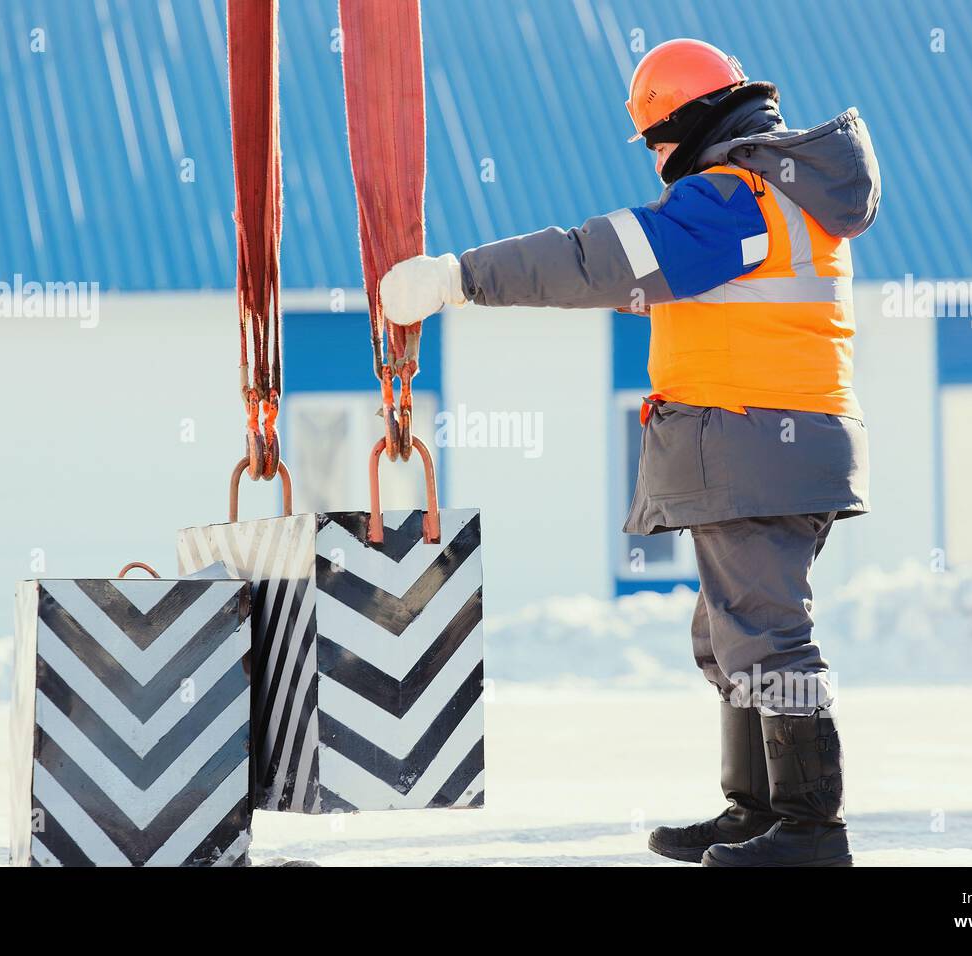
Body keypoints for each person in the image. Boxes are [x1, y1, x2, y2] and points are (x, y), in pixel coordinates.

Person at [378, 38, 880, 867]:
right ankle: (753, 812)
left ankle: (809, 831)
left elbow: (595, 258)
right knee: (732, 636)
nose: (652, 157)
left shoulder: (733, 201)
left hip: (758, 440)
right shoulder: (770, 199)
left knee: (766, 636)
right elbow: (672, 295)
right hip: (766, 442)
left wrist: (458, 278)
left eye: (655, 137)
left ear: (689, 123)